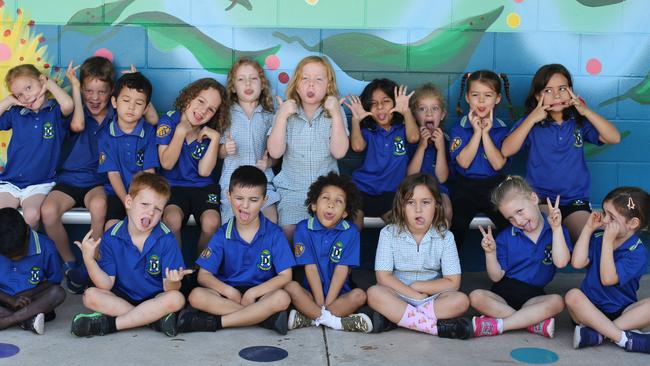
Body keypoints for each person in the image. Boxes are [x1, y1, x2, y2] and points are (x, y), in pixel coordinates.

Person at [501, 64, 621, 242]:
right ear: (537, 95)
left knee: (589, 240)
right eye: (548, 90)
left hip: (575, 202)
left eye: (562, 89)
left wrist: (585, 111)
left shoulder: (578, 121)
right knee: (539, 239)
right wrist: (532, 118)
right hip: (540, 201)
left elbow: (614, 137)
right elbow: (506, 150)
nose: (556, 95)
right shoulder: (531, 123)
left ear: (571, 91)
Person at [177, 166, 295, 335]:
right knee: (196, 296)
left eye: (253, 200)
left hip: (261, 292)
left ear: (264, 200)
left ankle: (215, 322)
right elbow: (203, 275)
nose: (245, 206)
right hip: (227, 292)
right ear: (228, 196)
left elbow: (285, 275)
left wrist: (253, 293)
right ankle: (264, 318)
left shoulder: (274, 233)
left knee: (282, 298)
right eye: (239, 198)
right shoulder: (222, 234)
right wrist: (229, 291)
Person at [70, 172, 190, 337]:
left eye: (157, 209)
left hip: (155, 298)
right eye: (145, 204)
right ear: (128, 202)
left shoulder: (166, 238)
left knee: (176, 298)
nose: (150, 213)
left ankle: (111, 324)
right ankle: (153, 320)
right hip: (122, 298)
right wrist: (88, 259)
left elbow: (169, 288)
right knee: (90, 296)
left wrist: (172, 282)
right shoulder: (112, 236)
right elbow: (105, 285)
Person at [40, 57, 114, 294]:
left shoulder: (117, 115)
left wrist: (131, 83)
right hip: (69, 180)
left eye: (101, 92)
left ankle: (92, 264)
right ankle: (70, 263)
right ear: (81, 90)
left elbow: (146, 113)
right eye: (89, 91)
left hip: (97, 182)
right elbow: (78, 124)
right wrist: (74, 88)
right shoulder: (72, 112)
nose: (95, 97)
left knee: (100, 206)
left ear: (111, 91)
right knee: (48, 211)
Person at [366, 173, 471, 339]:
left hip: (431, 297)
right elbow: (383, 278)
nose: (418, 210)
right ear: (401, 206)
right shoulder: (388, 233)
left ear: (436, 205)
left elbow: (453, 282)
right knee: (374, 293)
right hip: (397, 293)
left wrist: (418, 287)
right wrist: (412, 294)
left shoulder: (445, 236)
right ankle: (435, 328)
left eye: (425, 202)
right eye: (410, 202)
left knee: (461, 300)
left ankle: (396, 318)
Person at [469, 175, 572, 338]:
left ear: (533, 198)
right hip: (502, 294)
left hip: (534, 297)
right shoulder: (505, 237)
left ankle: (500, 324)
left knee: (558, 302)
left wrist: (557, 229)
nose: (518, 220)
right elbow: (496, 277)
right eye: (510, 218)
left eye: (519, 211)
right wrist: (490, 253)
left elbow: (561, 262)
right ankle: (531, 322)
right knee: (475, 297)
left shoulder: (555, 231)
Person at [267, 56, 349, 242]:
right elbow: (275, 152)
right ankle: (292, 271)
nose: (311, 85)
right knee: (289, 232)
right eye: (305, 79)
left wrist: (336, 112)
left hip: (327, 193)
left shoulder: (334, 113)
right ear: (296, 84)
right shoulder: (286, 112)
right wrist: (281, 117)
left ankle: (320, 270)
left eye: (319, 79)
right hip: (293, 191)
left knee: (327, 236)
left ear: (328, 85)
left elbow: (339, 152)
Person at [566, 187, 650, 353]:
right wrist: (588, 229)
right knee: (572, 296)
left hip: (622, 312)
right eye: (604, 213)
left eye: (611, 217)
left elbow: (608, 278)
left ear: (633, 224)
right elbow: (577, 263)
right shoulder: (598, 237)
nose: (604, 220)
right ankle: (625, 339)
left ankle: (597, 334)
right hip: (588, 310)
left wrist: (607, 243)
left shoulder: (637, 252)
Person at [284, 172, 372, 332]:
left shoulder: (350, 232)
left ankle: (310, 318)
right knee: (290, 287)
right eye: (326, 198)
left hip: (338, 295)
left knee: (360, 295)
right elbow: (309, 268)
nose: (331, 204)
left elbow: (342, 270)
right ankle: (333, 321)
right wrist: (319, 303)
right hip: (310, 294)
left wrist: (327, 304)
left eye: (339, 201)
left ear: (345, 213)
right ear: (314, 205)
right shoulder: (303, 228)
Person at [0, 64, 74, 228]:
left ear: (41, 80)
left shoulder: (54, 111)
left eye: (29, 88)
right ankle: (6, 253)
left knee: (32, 215)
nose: (26, 96)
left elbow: (69, 105)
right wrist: (10, 101)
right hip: (10, 182)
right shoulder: (16, 113)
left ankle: (28, 252)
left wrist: (49, 84)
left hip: (39, 184)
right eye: (19, 94)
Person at [158, 78, 225, 252]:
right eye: (200, 101)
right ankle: (176, 271)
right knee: (171, 219)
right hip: (172, 186)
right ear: (189, 97)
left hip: (203, 186)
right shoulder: (169, 121)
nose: (203, 111)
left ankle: (199, 270)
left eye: (211, 109)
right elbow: (166, 163)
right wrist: (180, 132)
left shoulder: (209, 131)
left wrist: (215, 139)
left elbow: (204, 172)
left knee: (212, 221)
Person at [345, 79, 419, 230]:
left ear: (395, 103)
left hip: (390, 194)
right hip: (361, 190)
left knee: (401, 230)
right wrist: (355, 120)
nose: (380, 107)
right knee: (353, 229)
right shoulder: (369, 132)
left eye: (386, 101)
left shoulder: (402, 130)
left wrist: (406, 111)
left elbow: (414, 137)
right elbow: (357, 147)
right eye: (373, 103)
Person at [449, 70, 512, 248]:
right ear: (468, 98)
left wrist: (486, 134)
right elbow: (464, 162)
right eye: (476, 95)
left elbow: (498, 164)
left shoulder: (501, 129)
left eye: (488, 95)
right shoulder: (460, 128)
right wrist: (477, 132)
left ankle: (510, 267)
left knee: (510, 223)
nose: (482, 101)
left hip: (495, 187)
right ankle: (449, 270)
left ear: (497, 98)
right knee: (458, 224)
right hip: (464, 187)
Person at [220, 57, 280, 223]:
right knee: (230, 227)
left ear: (262, 84)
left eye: (253, 79)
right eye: (241, 79)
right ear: (233, 87)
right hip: (232, 184)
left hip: (262, 182)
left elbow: (275, 156)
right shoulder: (225, 115)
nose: (248, 84)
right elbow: (216, 153)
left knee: (270, 221)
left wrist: (268, 163)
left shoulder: (269, 116)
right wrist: (225, 149)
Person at [98, 72, 159, 230]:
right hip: (117, 194)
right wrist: (126, 200)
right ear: (114, 102)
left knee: (146, 227)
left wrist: (141, 201)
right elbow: (113, 174)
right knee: (112, 227)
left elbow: (149, 172)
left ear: (145, 108)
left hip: (143, 195)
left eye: (138, 103)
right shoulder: (106, 134)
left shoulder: (149, 133)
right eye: (126, 100)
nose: (131, 107)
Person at [0, 207, 66, 334]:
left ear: (27, 233)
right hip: (3, 298)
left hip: (31, 301)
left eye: (20, 252)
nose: (16, 258)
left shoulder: (46, 246)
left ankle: (7, 320)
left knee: (58, 293)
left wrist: (29, 293)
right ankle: (27, 321)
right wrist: (10, 300)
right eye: (9, 256)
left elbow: (54, 281)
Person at [407, 83, 452, 223]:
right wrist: (421, 147)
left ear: (442, 114)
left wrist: (440, 149)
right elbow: (411, 176)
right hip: (414, 189)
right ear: (414, 115)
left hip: (439, 189)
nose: (429, 113)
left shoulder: (446, 140)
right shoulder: (411, 139)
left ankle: (441, 244)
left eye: (435, 108)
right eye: (422, 109)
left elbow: (442, 178)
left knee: (446, 209)